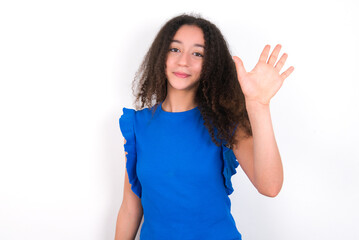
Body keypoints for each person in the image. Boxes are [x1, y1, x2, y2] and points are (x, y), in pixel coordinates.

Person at [115, 13, 294, 240]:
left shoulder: (225, 122)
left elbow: (270, 186)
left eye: (197, 53)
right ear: (161, 55)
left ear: (210, 64)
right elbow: (130, 209)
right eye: (175, 49)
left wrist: (258, 105)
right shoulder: (137, 126)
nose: (184, 61)